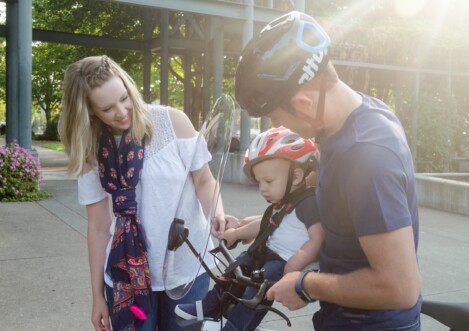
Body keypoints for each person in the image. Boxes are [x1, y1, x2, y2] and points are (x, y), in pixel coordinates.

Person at [234, 11, 422, 330]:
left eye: (278, 118)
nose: (279, 126)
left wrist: (306, 285)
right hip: (344, 317)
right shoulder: (351, 119)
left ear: (306, 104)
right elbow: (337, 212)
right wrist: (253, 225)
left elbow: (400, 288)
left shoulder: (367, 155)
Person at [58, 55, 235, 331]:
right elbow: (99, 227)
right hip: (126, 280)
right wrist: (96, 296)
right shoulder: (91, 150)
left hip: (187, 270)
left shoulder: (173, 122)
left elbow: (203, 181)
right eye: (107, 108)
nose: (121, 111)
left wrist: (218, 213)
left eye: (124, 97)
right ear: (90, 111)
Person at [174, 126, 324, 331]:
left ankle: (236, 327)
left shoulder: (308, 203)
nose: (262, 188)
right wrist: (236, 233)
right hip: (265, 253)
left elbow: (317, 237)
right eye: (259, 182)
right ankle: (209, 306)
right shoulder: (281, 204)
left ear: (296, 177)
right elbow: (266, 225)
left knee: (256, 291)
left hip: (284, 261)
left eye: (268, 181)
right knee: (239, 265)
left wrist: (294, 266)